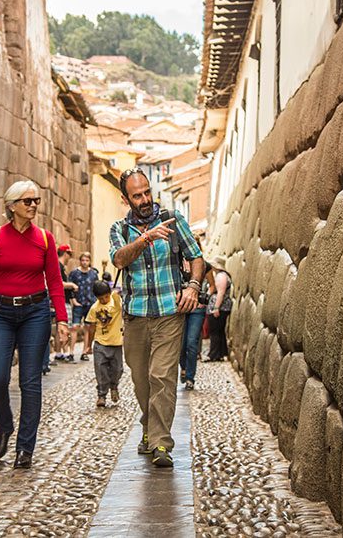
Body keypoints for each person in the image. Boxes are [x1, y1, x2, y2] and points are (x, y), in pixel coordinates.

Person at [0, 180, 70, 469]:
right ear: (12, 205)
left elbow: (54, 281)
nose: (34, 205)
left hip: (35, 313)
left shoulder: (46, 239)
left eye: (36, 200)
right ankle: (5, 424)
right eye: (27, 201)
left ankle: (25, 448)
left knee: (30, 382)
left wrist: (61, 319)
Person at [110, 168, 203, 468]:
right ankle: (149, 428)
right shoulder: (120, 229)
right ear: (126, 199)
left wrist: (193, 286)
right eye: (137, 195)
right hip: (136, 315)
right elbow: (119, 259)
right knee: (141, 380)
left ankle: (162, 443)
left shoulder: (173, 220)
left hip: (169, 312)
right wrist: (146, 238)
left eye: (147, 192)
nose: (145, 199)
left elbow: (196, 256)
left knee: (162, 376)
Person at [83, 280, 124, 408]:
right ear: (96, 298)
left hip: (116, 343)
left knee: (117, 369)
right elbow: (91, 327)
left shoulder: (116, 303)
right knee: (100, 370)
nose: (105, 299)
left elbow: (120, 294)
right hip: (100, 343)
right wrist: (88, 345)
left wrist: (115, 293)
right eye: (101, 298)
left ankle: (114, 387)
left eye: (107, 296)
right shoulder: (94, 308)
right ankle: (101, 395)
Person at [179, 255, 212, 390]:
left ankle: (190, 377)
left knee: (192, 343)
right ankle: (184, 367)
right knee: (181, 343)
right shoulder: (177, 263)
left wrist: (203, 299)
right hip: (181, 307)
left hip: (197, 309)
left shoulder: (205, 266)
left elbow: (212, 286)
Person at [69, 252, 100, 361]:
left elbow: (97, 288)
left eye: (87, 260)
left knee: (88, 328)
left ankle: (85, 351)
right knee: (74, 327)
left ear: (89, 261)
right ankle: (71, 352)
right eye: (83, 260)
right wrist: (73, 300)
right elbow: (70, 288)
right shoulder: (74, 273)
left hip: (90, 304)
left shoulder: (93, 274)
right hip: (78, 303)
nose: (85, 262)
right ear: (80, 261)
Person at [205, 255, 232, 362]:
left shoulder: (221, 276)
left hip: (220, 307)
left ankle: (213, 354)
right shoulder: (222, 275)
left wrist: (216, 308)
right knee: (219, 331)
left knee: (214, 331)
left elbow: (220, 293)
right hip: (222, 307)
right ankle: (220, 353)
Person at [56, 245, 79, 362]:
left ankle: (60, 352)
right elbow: (58, 283)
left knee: (60, 328)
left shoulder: (60, 266)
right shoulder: (59, 266)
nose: (70, 257)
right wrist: (72, 285)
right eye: (69, 254)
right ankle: (63, 352)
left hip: (63, 300)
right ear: (65, 253)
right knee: (66, 327)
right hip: (62, 301)